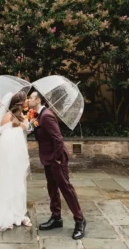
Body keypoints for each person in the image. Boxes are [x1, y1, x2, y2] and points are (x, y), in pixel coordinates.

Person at [28, 91, 86, 240]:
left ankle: (80, 221)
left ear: (38, 100)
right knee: (52, 188)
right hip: (47, 158)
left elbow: (58, 139)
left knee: (66, 188)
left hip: (56, 158)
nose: (28, 100)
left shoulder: (46, 116)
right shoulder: (38, 115)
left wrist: (58, 159)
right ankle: (56, 218)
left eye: (31, 98)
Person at [0, 91, 32, 234]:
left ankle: (19, 214)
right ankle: (7, 217)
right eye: (25, 99)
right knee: (8, 184)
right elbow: (4, 138)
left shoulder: (21, 116)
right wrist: (20, 128)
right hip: (8, 158)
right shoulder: (7, 116)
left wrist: (25, 125)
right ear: (19, 103)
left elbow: (23, 133)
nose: (27, 101)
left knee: (20, 185)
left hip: (19, 157)